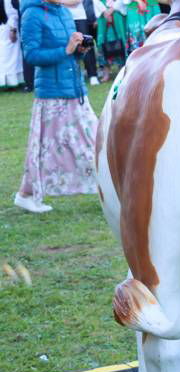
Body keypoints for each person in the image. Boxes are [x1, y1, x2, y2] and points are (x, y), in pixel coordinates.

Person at [14, 0, 98, 213]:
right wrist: (66, 49)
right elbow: (31, 55)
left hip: (75, 89)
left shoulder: (64, 12)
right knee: (46, 149)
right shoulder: (32, 14)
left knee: (95, 138)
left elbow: (71, 53)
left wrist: (80, 50)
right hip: (52, 95)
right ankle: (26, 194)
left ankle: (25, 194)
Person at [1, 0, 24, 88]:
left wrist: (12, 29)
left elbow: (12, 14)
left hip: (7, 28)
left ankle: (12, 82)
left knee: (10, 57)